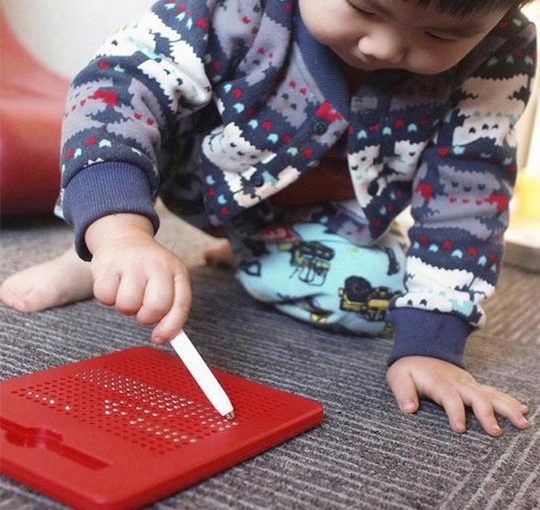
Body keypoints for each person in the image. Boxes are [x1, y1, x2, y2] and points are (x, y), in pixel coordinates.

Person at [1, 0, 536, 437]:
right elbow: (117, 86)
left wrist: (433, 345)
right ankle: (96, 247)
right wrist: (119, 230)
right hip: (193, 171)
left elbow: (469, 192)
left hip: (315, 212)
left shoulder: (500, 51)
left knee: (374, 294)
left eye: (440, 36)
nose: (383, 47)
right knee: (124, 131)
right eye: (363, 8)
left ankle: (253, 249)